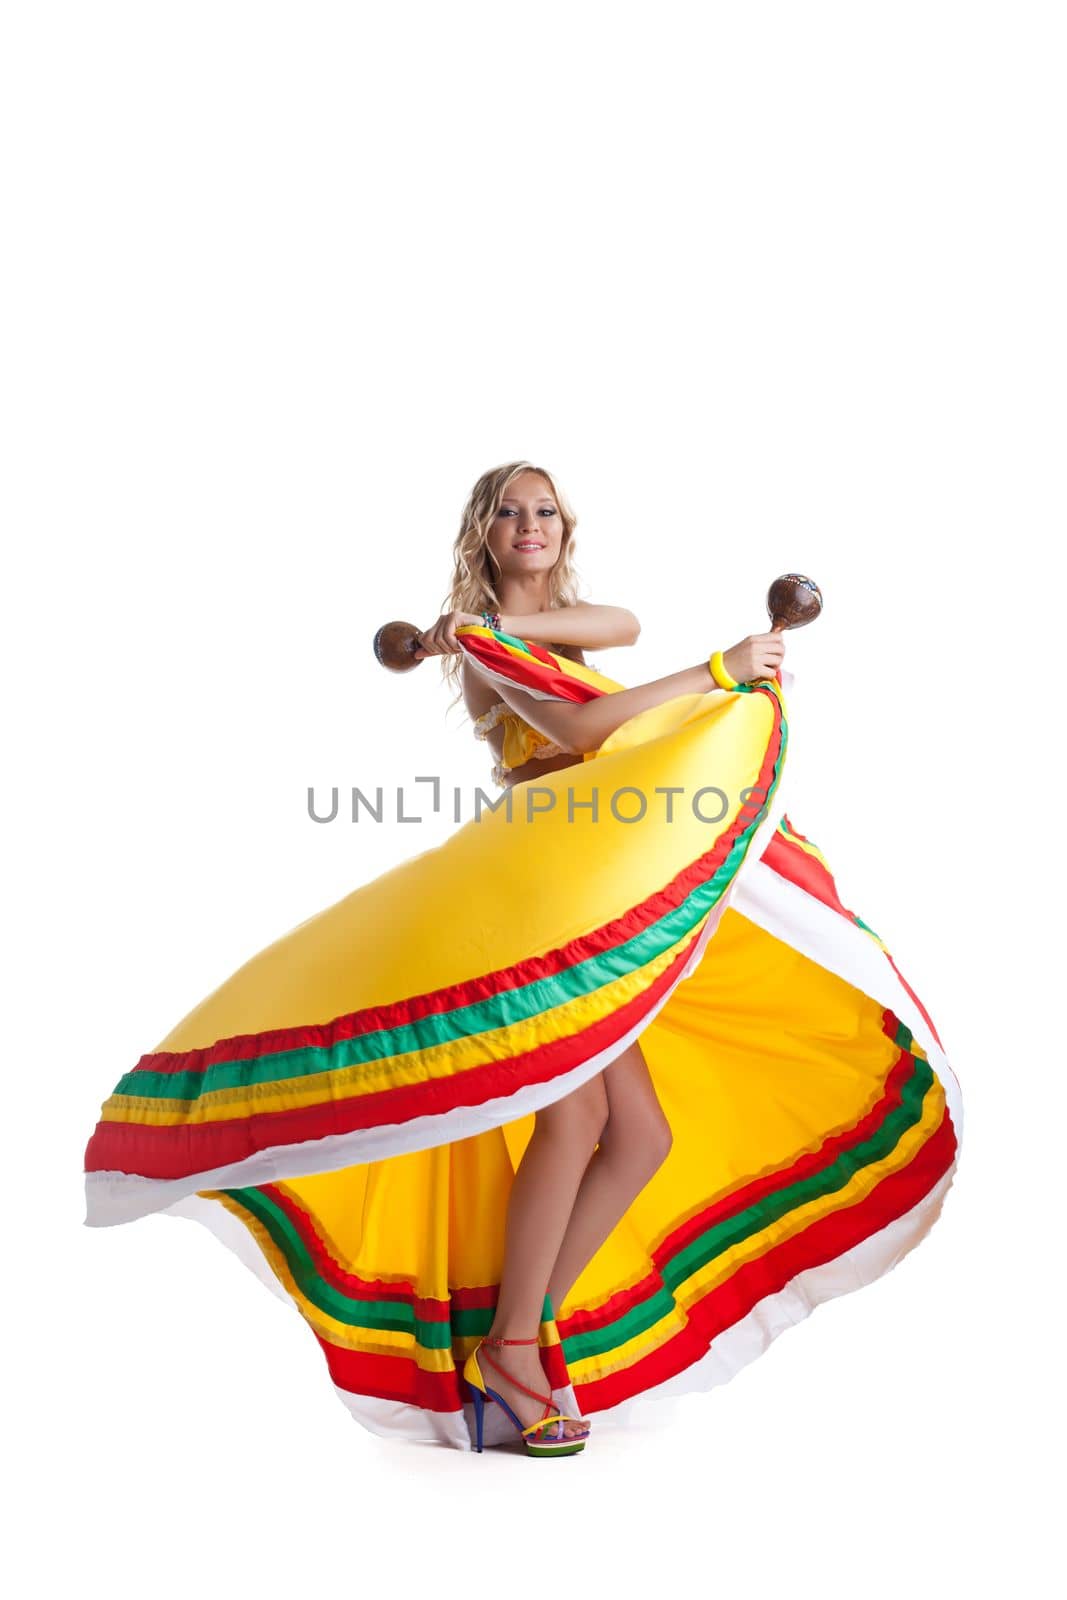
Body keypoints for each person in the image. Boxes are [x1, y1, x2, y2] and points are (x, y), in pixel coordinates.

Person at [83, 458, 962, 1460]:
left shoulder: (510, 629)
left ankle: (517, 1330)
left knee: (639, 1134)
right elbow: (584, 723)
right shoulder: (486, 650)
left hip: (577, 864)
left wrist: (490, 619)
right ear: (483, 534)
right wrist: (717, 672)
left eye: (545, 509)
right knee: (588, 1116)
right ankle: (511, 1345)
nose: (531, 523)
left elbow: (619, 626)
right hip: (535, 880)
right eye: (510, 512)